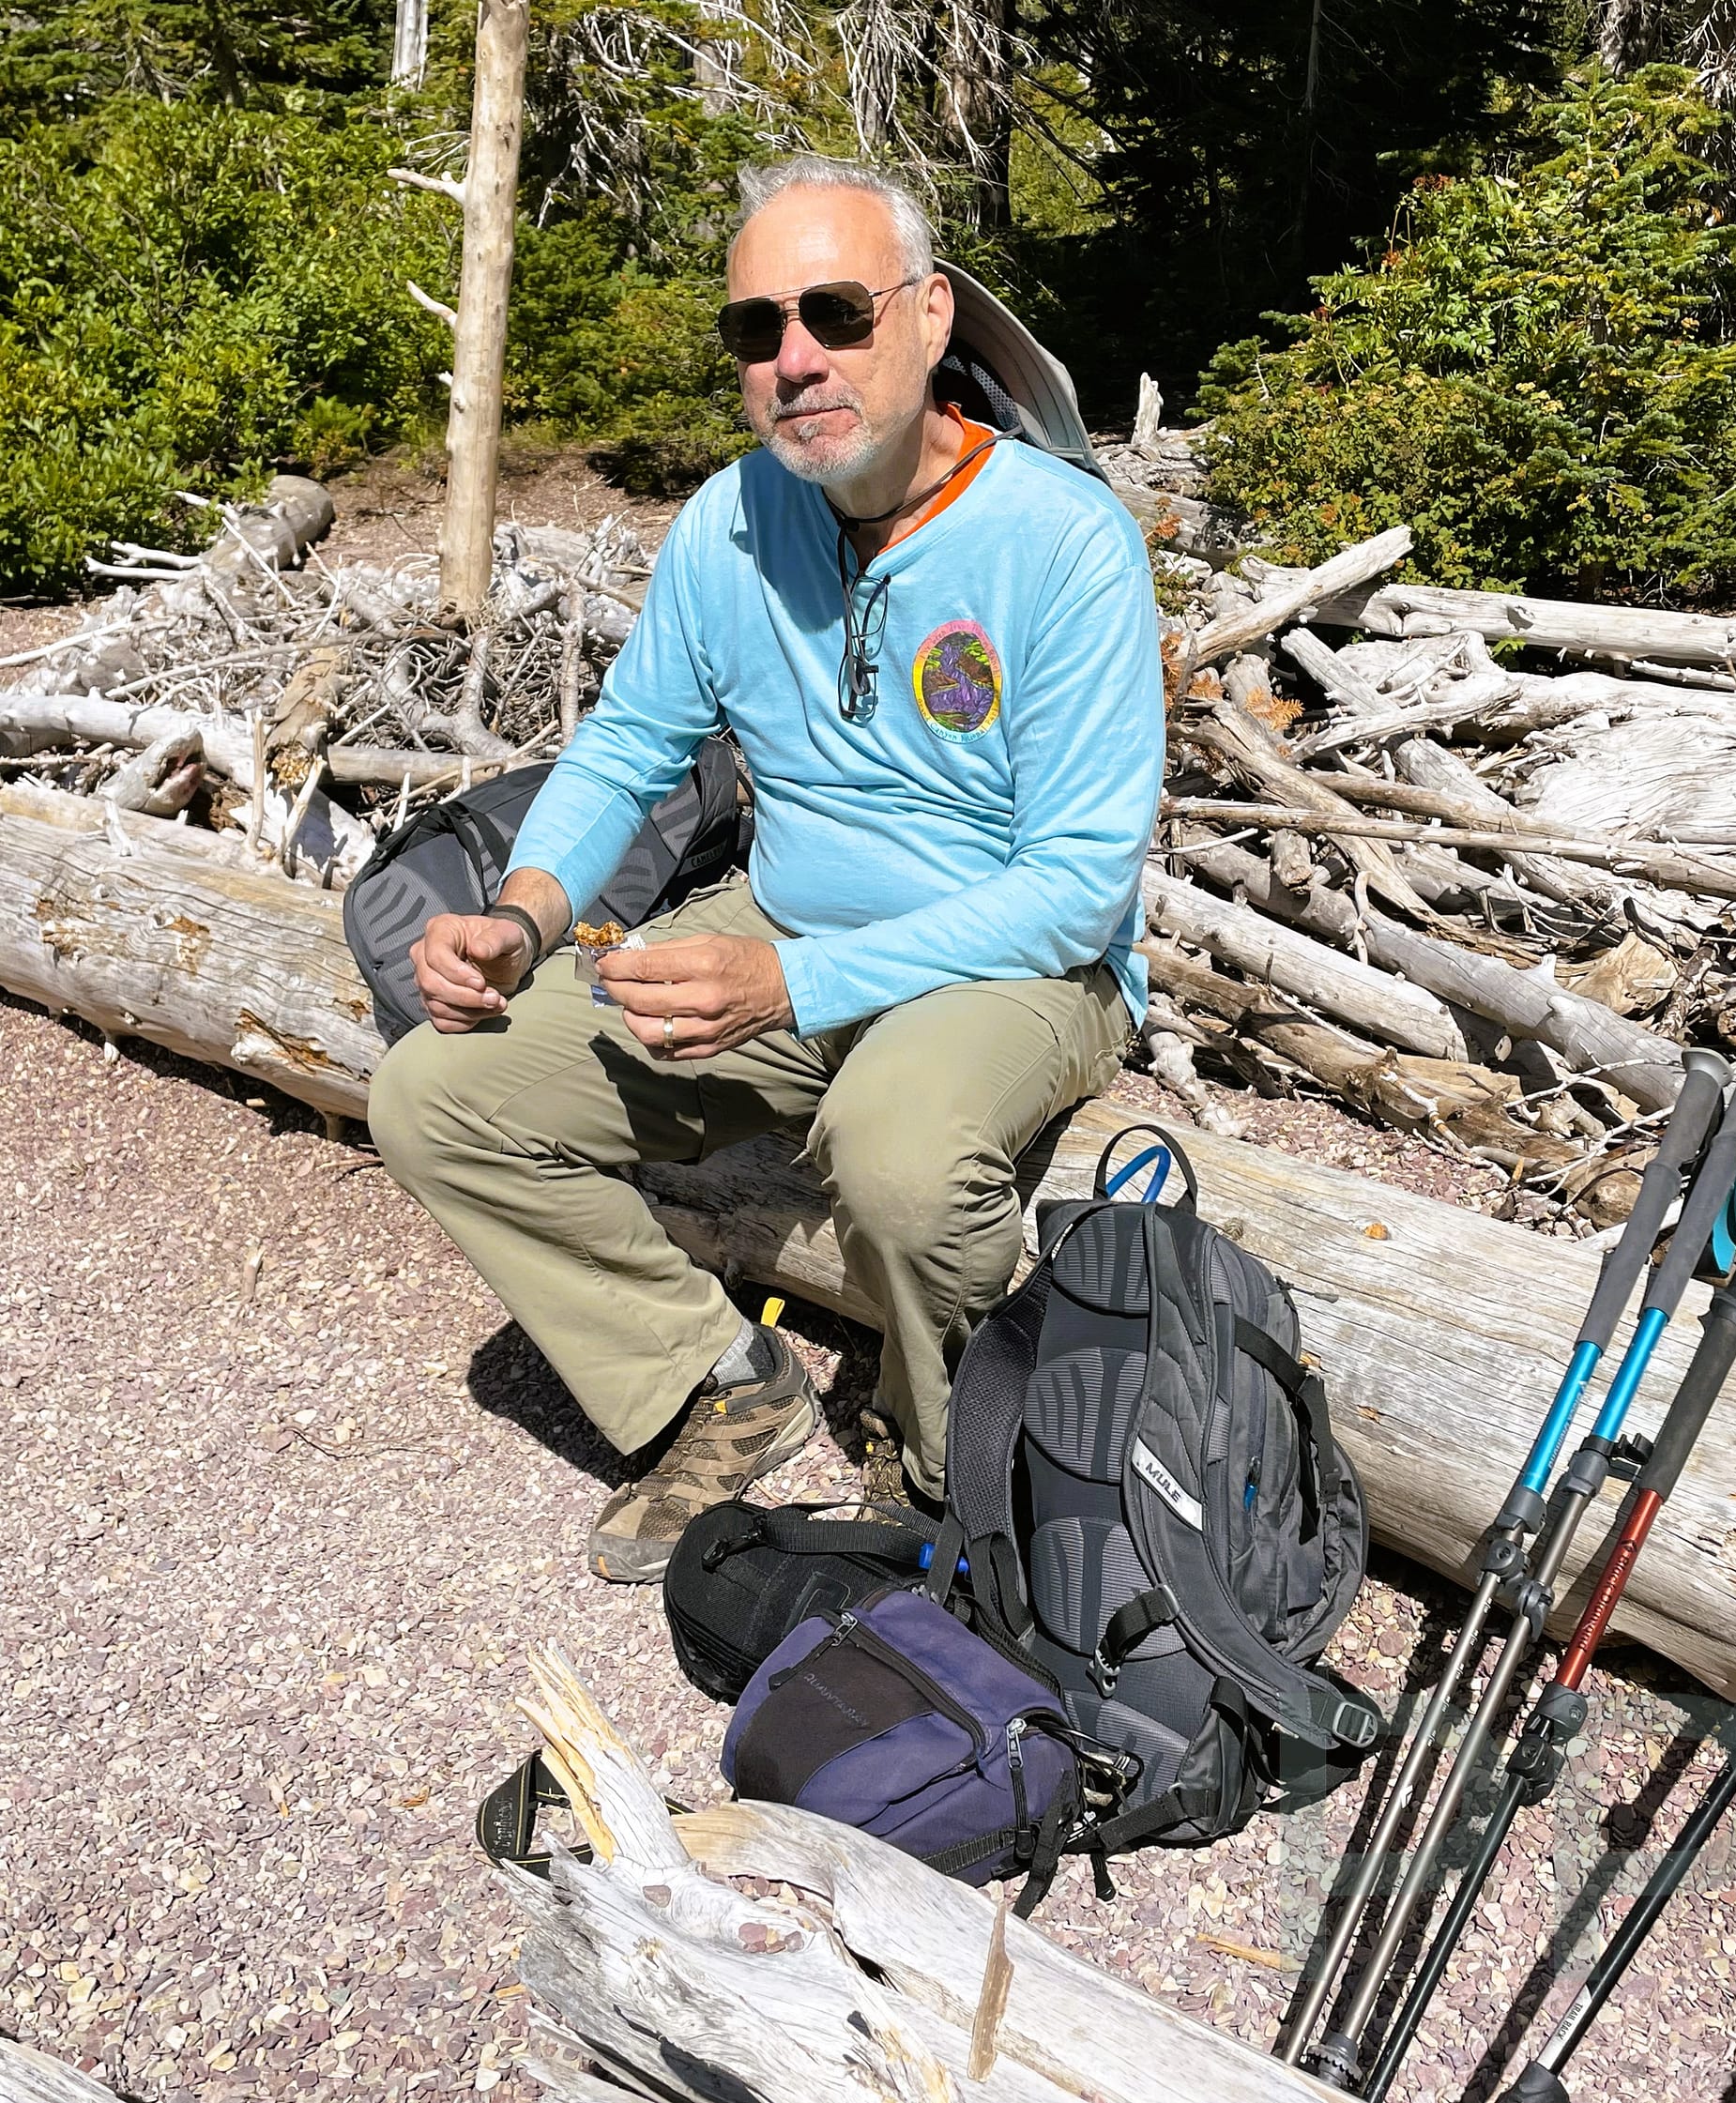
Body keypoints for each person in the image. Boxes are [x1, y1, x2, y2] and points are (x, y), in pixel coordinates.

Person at [368, 153, 1165, 1582]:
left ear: (929, 317)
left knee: (901, 1156)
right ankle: (715, 1383)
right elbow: (621, 751)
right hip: (787, 925)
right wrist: (522, 913)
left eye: (838, 312)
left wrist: (794, 980)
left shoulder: (1063, 542)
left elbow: (1080, 883)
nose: (797, 359)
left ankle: (943, 1474)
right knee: (439, 1089)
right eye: (758, 329)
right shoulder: (733, 523)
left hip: (1017, 961)